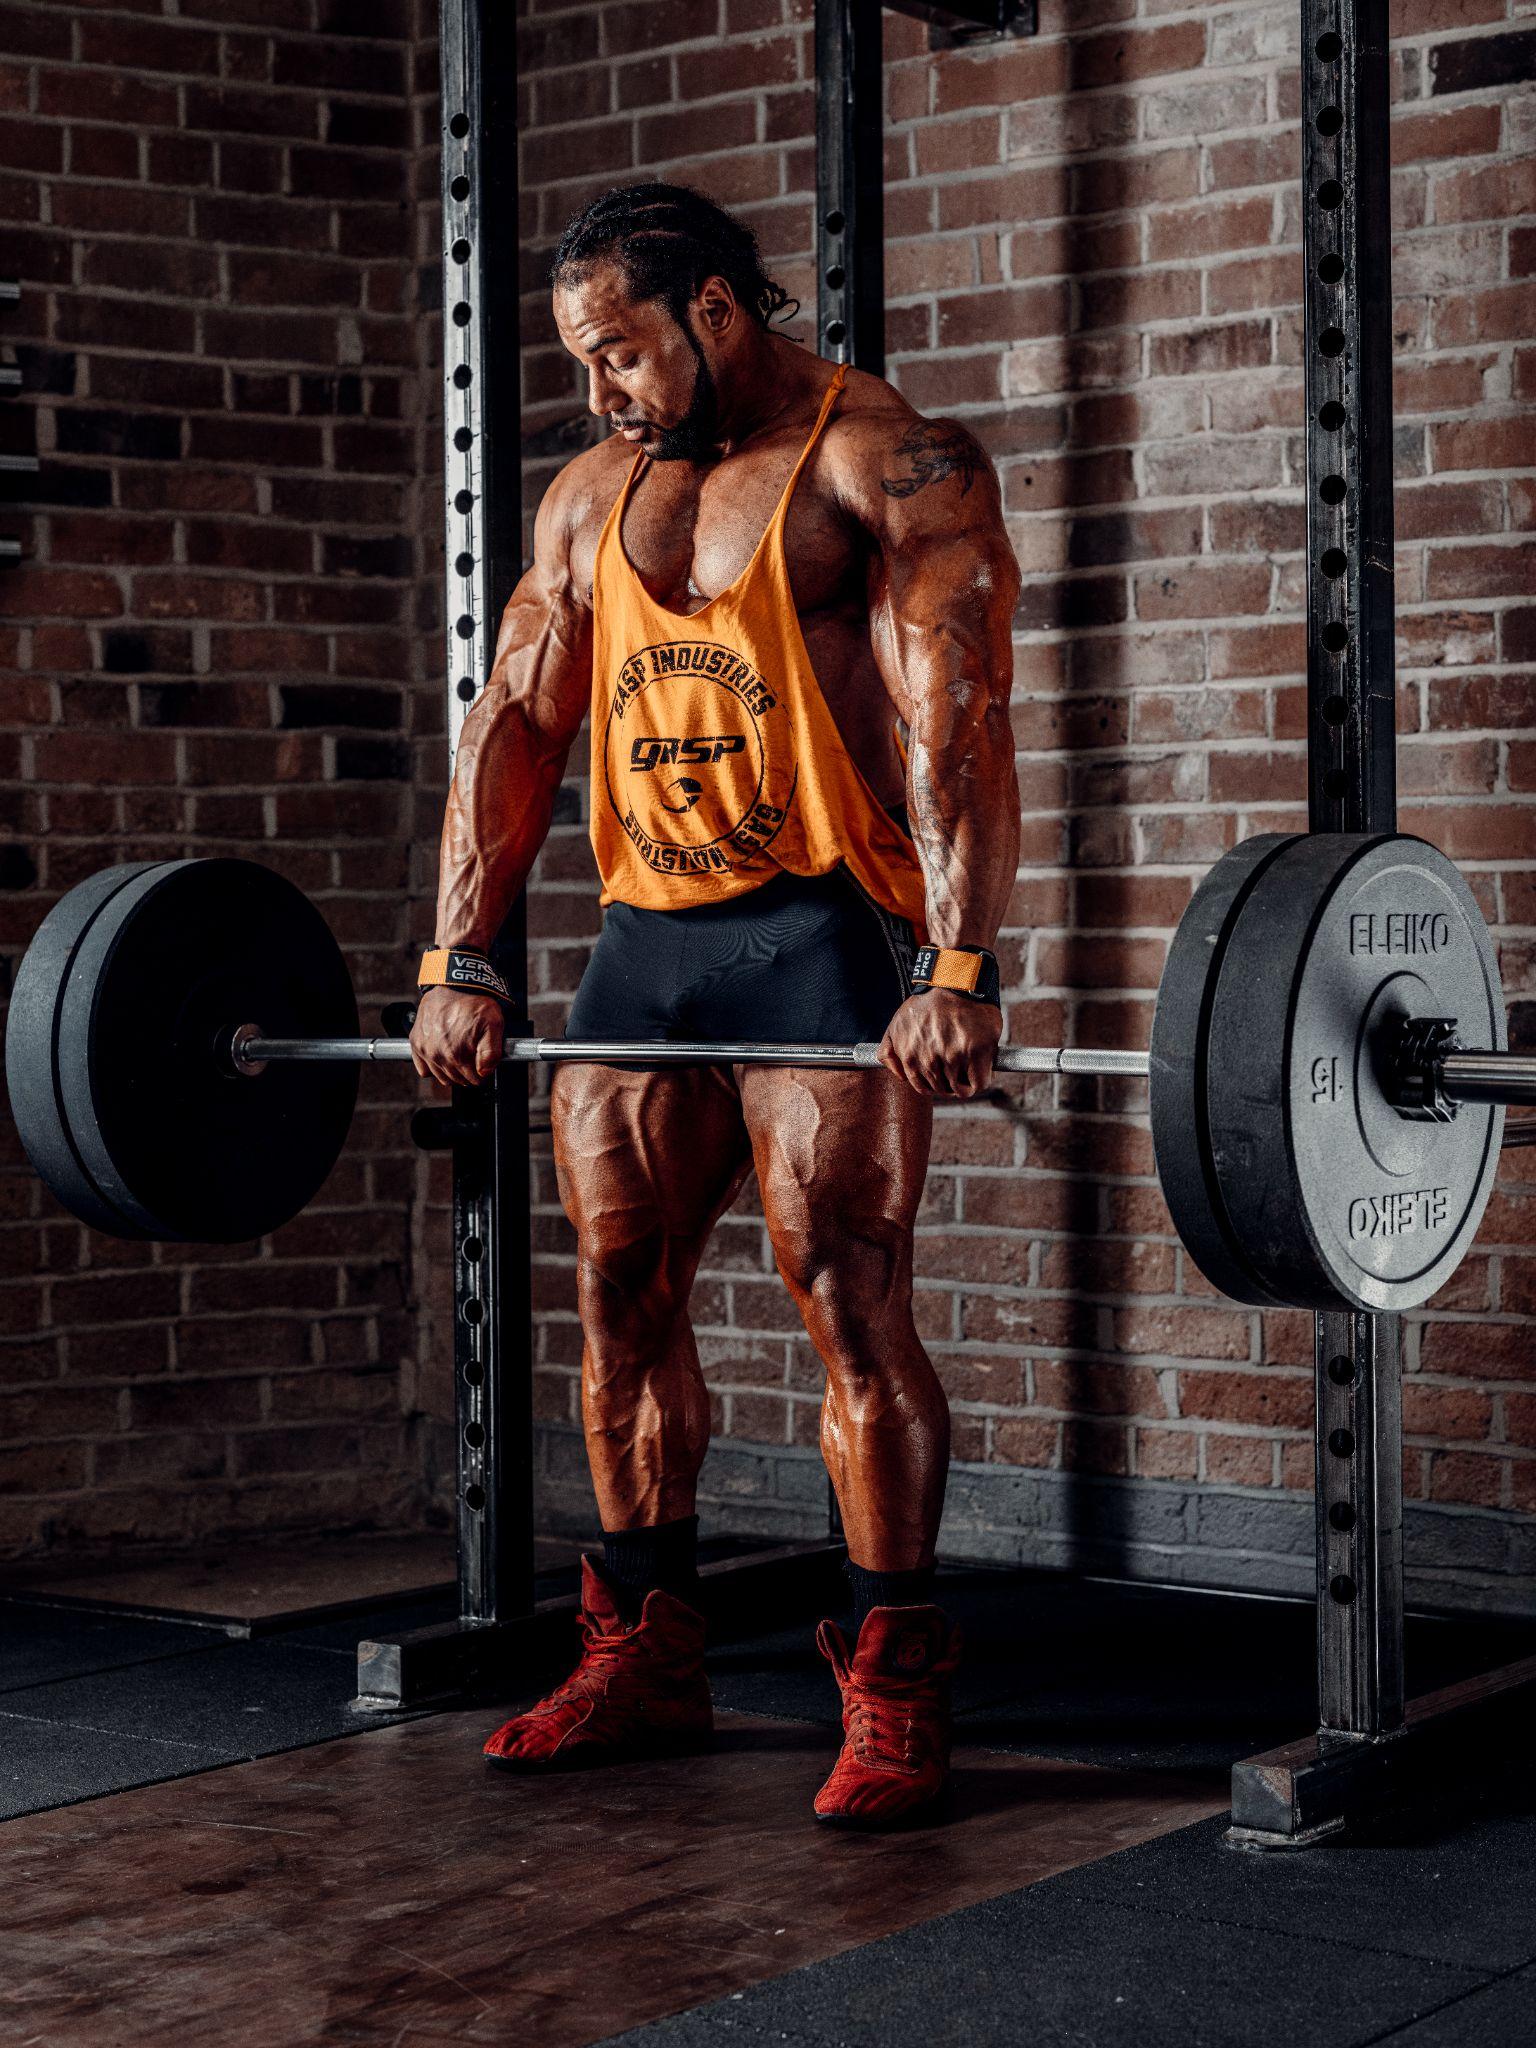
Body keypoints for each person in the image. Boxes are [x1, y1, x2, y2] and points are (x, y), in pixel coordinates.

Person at [411, 183, 1021, 1829]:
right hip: (644, 939)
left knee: (845, 1293)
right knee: (618, 1296)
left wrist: (956, 966)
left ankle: (895, 1688)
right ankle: (646, 1656)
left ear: (717, 315)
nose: (600, 387)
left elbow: (955, 719)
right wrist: (459, 957)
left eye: (620, 350)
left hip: (825, 930)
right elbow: (516, 724)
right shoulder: (589, 495)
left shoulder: (883, 464)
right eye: (583, 358)